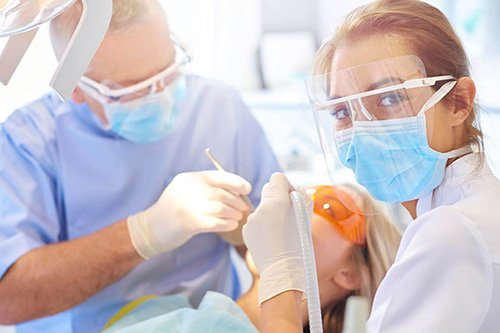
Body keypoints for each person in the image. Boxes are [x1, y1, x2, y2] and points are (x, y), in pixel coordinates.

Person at [0, 0, 280, 331]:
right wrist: (143, 232)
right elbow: (9, 301)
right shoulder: (28, 142)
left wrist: (246, 228)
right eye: (135, 89)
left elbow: (285, 247)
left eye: (168, 71)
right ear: (76, 87)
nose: (161, 94)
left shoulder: (219, 109)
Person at [243, 0, 500, 332]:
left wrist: (279, 280)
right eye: (341, 112)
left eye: (390, 98)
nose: (362, 129)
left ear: (459, 102)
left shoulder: (452, 232)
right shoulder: (466, 214)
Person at [97, 185, 401, 332]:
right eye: (299, 193)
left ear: (351, 274)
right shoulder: (164, 311)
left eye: (329, 206)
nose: (298, 204)